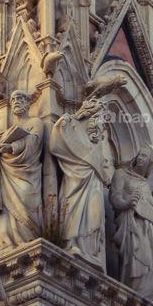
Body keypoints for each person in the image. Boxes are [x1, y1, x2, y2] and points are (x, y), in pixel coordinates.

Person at [50, 103, 113, 269]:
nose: (101, 127)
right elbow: (59, 132)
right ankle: (72, 244)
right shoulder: (76, 134)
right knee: (74, 213)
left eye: (104, 125)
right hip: (74, 185)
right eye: (99, 121)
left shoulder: (98, 148)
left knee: (95, 215)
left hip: (94, 188)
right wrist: (77, 116)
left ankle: (90, 252)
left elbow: (106, 175)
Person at [0, 91, 45, 250]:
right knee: (6, 211)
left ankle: (28, 240)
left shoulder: (35, 122)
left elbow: (34, 142)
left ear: (28, 103)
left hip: (28, 173)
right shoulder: (7, 131)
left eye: (20, 98)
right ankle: (6, 243)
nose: (16, 102)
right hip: (7, 177)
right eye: (13, 99)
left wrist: (11, 147)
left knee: (27, 200)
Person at [110, 149, 153, 301]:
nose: (140, 157)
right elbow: (114, 196)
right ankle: (132, 289)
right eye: (140, 154)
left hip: (148, 228)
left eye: (145, 155)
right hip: (131, 223)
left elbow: (149, 208)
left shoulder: (145, 184)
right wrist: (127, 202)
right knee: (135, 256)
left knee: (149, 261)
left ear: (150, 163)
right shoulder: (121, 174)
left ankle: (146, 295)